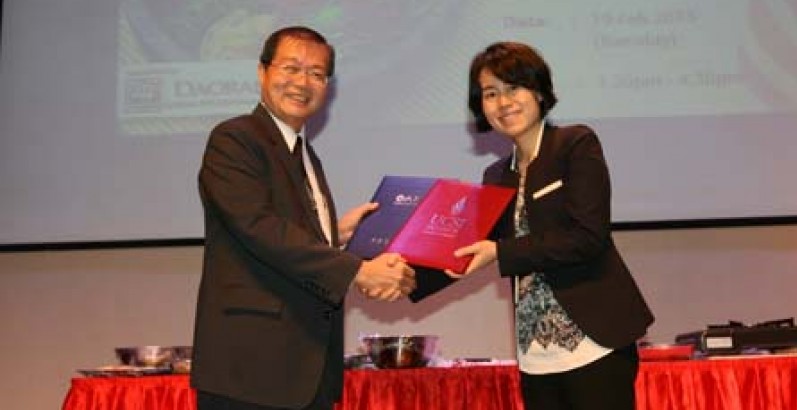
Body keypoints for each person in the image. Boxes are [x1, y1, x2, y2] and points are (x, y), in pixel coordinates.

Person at [191, 26, 416, 410]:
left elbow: (287, 232)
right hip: (251, 371)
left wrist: (336, 234)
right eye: (291, 68)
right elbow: (259, 227)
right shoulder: (235, 138)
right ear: (262, 72)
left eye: (316, 73)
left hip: (305, 372)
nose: (302, 82)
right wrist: (358, 270)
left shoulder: (307, 155)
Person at [450, 41, 655, 409]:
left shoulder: (574, 144)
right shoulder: (496, 176)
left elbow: (587, 236)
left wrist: (501, 251)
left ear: (540, 91)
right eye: (491, 93)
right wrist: (399, 265)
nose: (503, 102)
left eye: (514, 87)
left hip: (594, 343)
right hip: (536, 352)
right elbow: (468, 249)